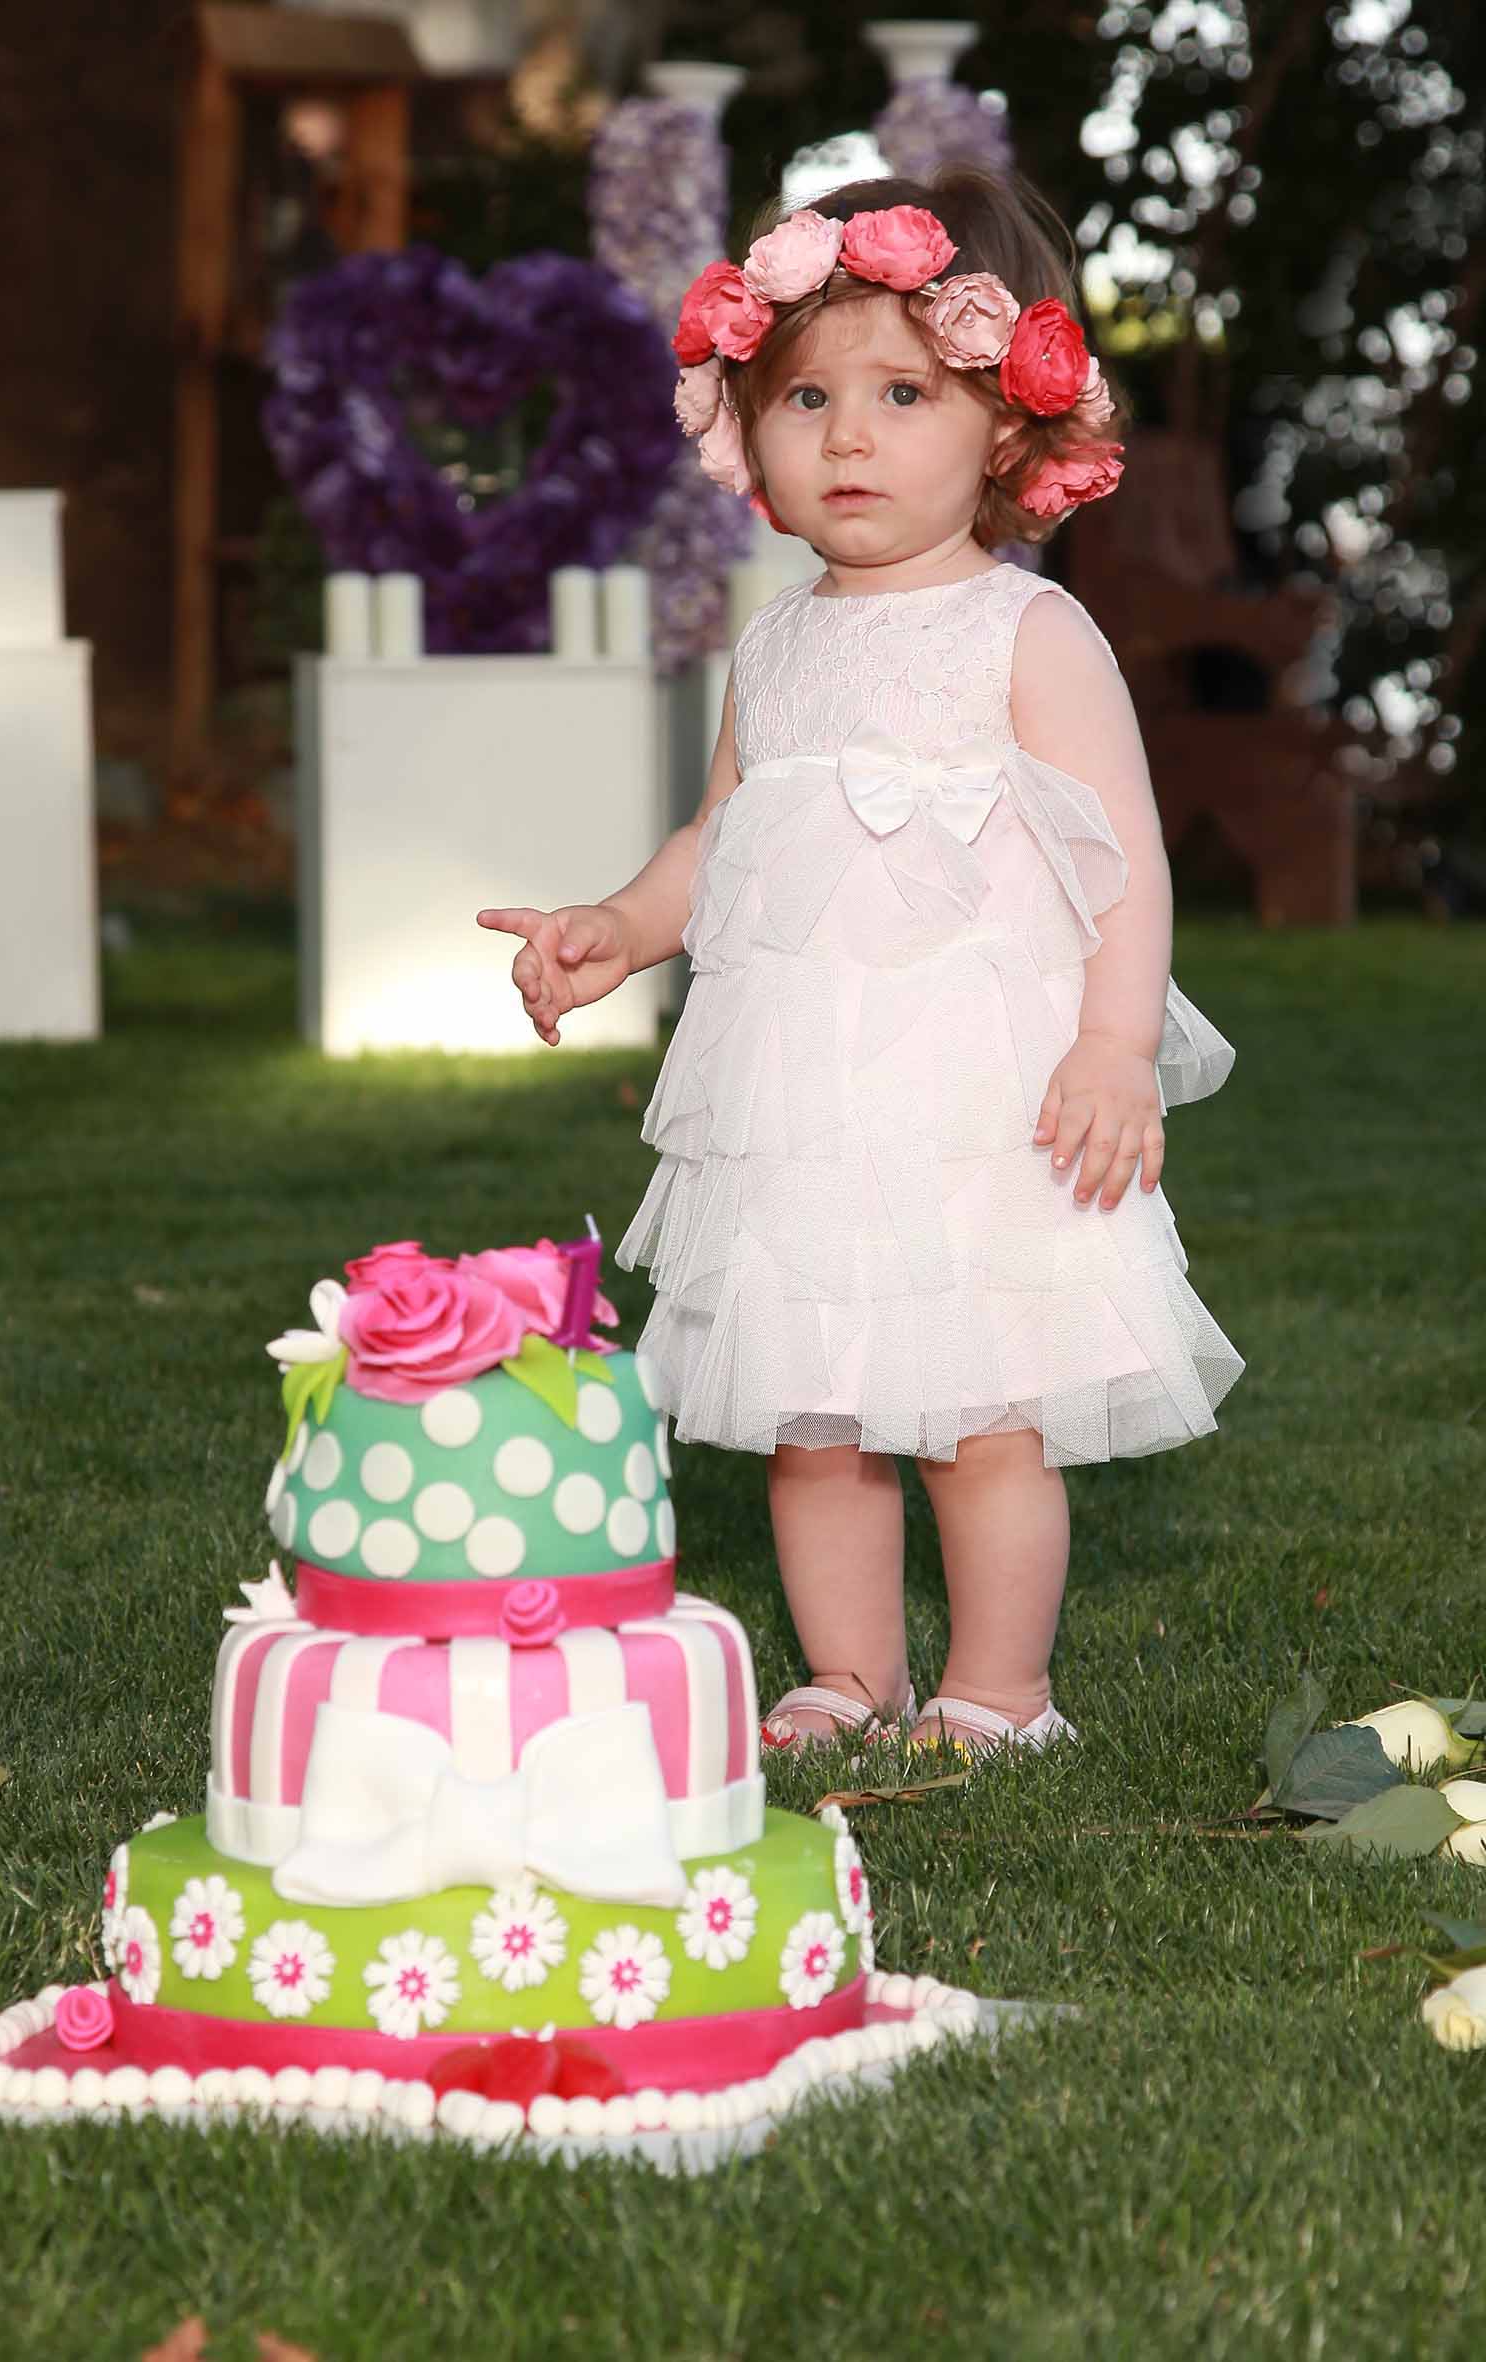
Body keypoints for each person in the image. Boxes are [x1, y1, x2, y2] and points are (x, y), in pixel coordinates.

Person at [478, 165, 1244, 1760]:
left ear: (1006, 426)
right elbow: (723, 834)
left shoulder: (1027, 635)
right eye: (808, 398)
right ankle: (850, 1671)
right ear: (746, 426)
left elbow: (1126, 860)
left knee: (981, 1406)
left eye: (902, 395)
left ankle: (1000, 1688)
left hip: (980, 1100)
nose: (847, 438)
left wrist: (1115, 1044)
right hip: (807, 1101)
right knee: (814, 1408)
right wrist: (619, 925)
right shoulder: (777, 645)